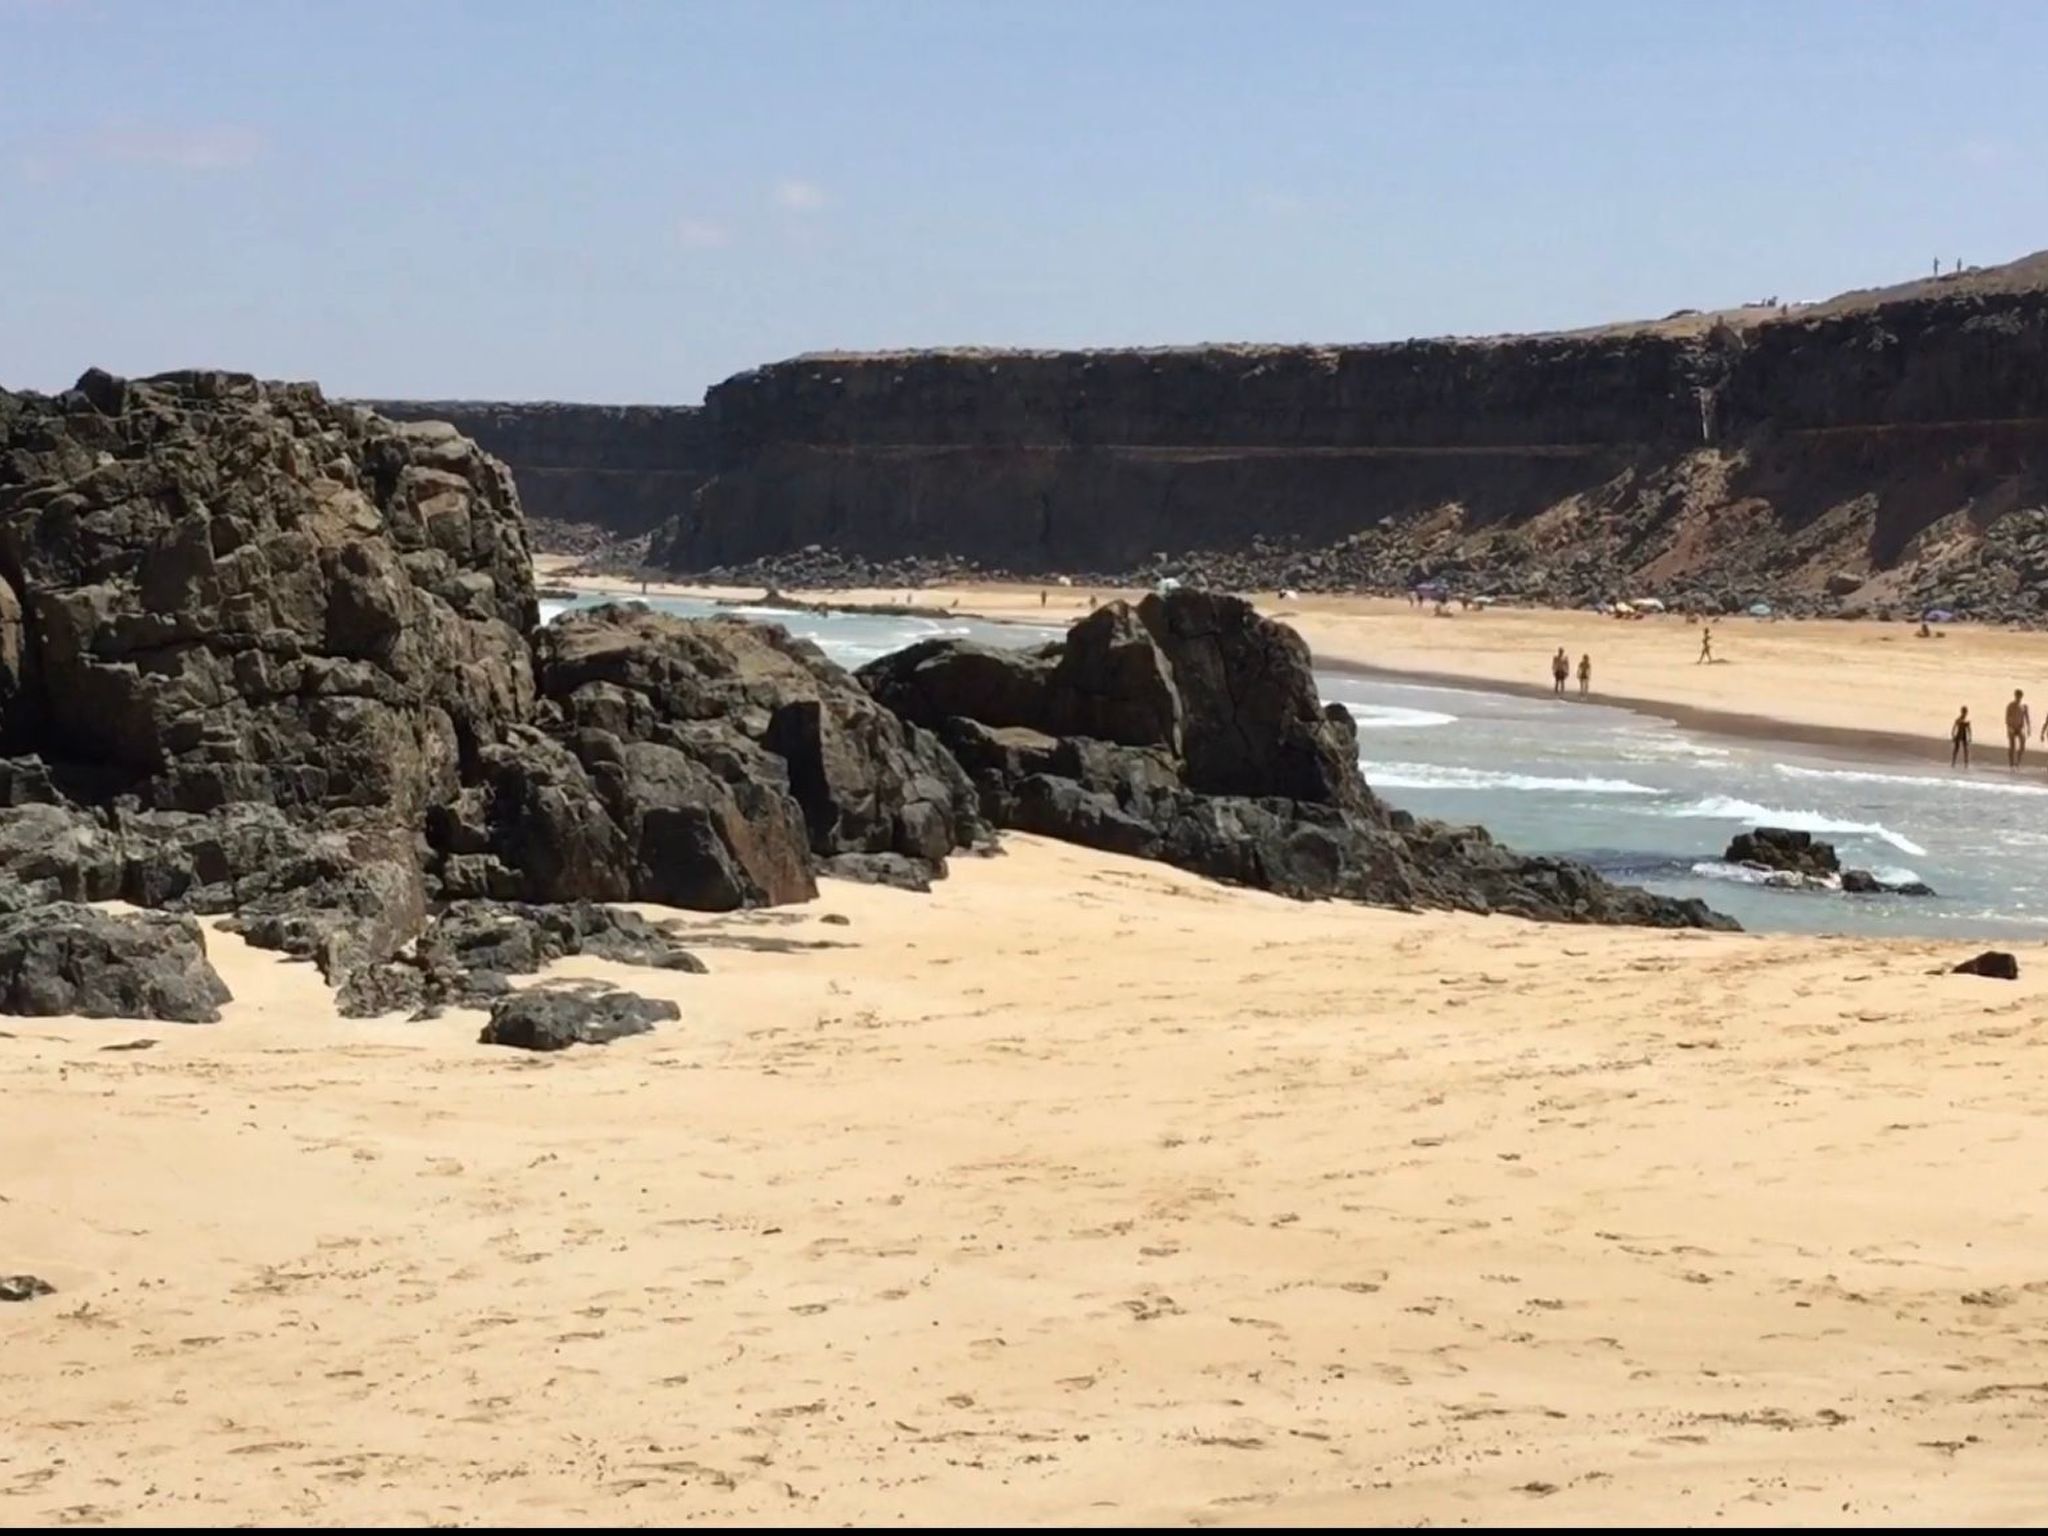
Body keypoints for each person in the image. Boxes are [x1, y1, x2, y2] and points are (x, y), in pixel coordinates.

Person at [2008, 689, 2032, 767]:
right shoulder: (2011, 705)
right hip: (2012, 727)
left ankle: (2018, 762)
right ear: (2015, 696)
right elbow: (2007, 717)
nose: (2018, 697)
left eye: (2019, 696)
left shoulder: (2024, 706)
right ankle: (2011, 763)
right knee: (2012, 746)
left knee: (2022, 744)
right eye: (2017, 696)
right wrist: (2009, 727)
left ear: (2021, 696)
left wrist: (2028, 728)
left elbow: (2027, 718)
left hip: (2020, 728)